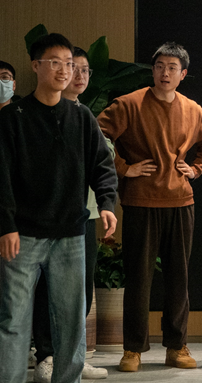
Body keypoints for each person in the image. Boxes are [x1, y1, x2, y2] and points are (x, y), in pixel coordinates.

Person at [97, 42, 202, 373]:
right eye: (160, 66)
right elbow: (97, 134)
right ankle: (133, 349)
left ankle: (177, 346)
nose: (165, 73)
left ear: (183, 74)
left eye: (172, 68)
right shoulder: (129, 103)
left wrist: (194, 169)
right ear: (152, 70)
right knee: (139, 278)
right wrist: (124, 167)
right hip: (140, 200)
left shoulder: (192, 109)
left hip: (181, 201)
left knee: (179, 277)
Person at [0, 34, 118, 383]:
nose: (64, 70)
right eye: (55, 62)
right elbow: (1, 176)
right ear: (36, 66)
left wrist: (107, 203)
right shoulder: (13, 118)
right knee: (13, 319)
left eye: (68, 63)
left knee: (71, 321)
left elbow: (102, 165)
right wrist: (6, 225)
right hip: (22, 235)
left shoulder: (81, 116)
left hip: (70, 234)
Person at [31, 47, 108, 382]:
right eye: (72, 67)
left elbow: (103, 163)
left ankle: (73, 357)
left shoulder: (86, 116)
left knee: (80, 291)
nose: (78, 75)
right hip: (44, 219)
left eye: (85, 70)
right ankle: (46, 356)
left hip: (83, 216)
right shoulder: (38, 113)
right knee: (46, 290)